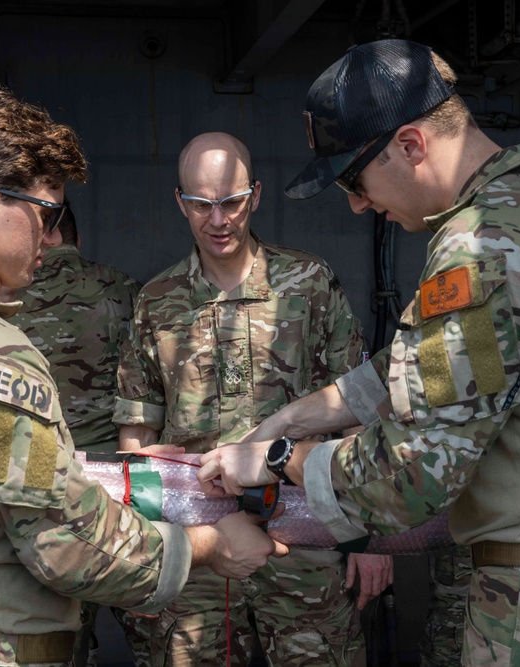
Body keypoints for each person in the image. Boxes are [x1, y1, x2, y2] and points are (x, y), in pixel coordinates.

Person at [197, 39, 520, 667]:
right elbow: (457, 361)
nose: (356, 204)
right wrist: (296, 416)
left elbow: (413, 475)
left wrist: (276, 459)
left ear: (410, 145)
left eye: (354, 178)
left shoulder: (483, 247)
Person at [0, 87, 286, 667]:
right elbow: (60, 543)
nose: (52, 238)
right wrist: (206, 546)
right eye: (46, 214)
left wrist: (110, 472)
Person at [112, 131, 393, 666]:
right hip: (200, 541)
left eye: (231, 202)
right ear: (180, 202)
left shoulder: (309, 282)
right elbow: (138, 436)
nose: (217, 220)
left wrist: (372, 539)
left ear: (255, 196)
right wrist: (146, 556)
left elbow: (359, 409)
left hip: (306, 530)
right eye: (200, 204)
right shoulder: (157, 301)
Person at [8, 200, 141, 667]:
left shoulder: (3, 299)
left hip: (49, 490)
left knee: (62, 637)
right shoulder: (124, 290)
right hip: (123, 488)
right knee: (152, 623)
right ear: (74, 238)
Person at [9, 199, 140, 454]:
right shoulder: (127, 288)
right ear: (77, 242)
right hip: (110, 459)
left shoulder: (7, 294)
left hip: (36, 459)